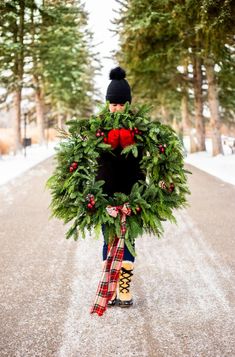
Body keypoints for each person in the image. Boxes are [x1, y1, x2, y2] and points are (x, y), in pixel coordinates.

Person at [96, 66, 145, 307]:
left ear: (128, 104)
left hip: (132, 192)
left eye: (120, 104)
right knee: (109, 237)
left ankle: (124, 287)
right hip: (105, 194)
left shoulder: (140, 129)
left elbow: (147, 160)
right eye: (112, 104)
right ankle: (111, 285)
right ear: (107, 104)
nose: (116, 108)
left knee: (129, 239)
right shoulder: (97, 129)